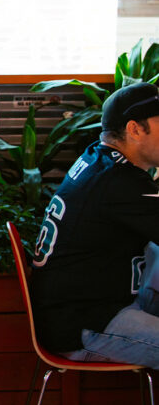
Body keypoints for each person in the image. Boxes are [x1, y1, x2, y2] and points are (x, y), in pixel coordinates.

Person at [29, 81, 159, 369]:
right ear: (135, 129)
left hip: (88, 308)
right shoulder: (120, 182)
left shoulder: (99, 160)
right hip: (87, 326)